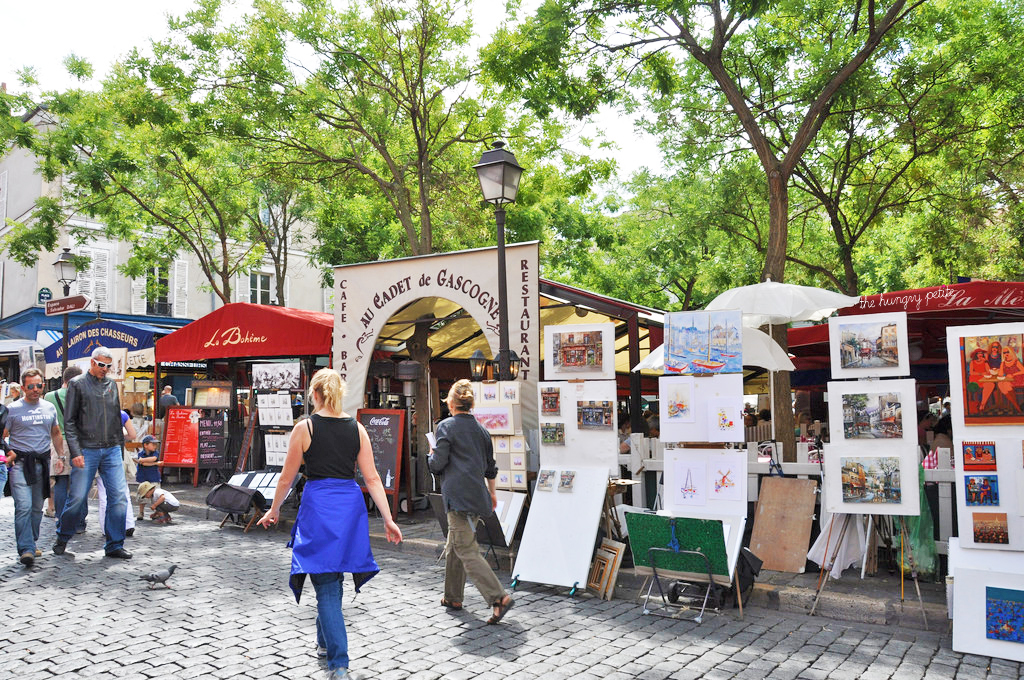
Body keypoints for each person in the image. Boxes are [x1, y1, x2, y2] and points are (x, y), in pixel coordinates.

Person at [257, 368, 402, 680]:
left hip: (319, 506)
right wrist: (388, 519)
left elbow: (286, 477)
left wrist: (274, 509)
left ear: (315, 394)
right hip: (349, 507)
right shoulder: (357, 429)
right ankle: (324, 645)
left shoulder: (304, 428)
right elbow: (373, 478)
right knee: (330, 576)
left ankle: (339, 663)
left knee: (324, 580)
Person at [428, 379, 515, 626]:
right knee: (456, 543)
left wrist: (431, 455)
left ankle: (499, 598)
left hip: (457, 496)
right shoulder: (482, 430)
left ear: (452, 404)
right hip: (478, 495)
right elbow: (490, 468)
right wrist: (493, 494)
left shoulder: (445, 427)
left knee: (466, 548)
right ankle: (453, 596)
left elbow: (437, 464)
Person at [53, 346, 133, 559]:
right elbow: (69, 422)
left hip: (111, 448)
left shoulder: (112, 386)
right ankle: (63, 535)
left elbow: (116, 418)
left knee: (118, 497)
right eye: (101, 365)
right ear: (92, 362)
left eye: (108, 365)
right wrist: (75, 451)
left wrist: (119, 447)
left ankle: (115, 544)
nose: (105, 369)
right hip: (86, 449)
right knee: (78, 498)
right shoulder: (77, 385)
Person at [4, 369, 63, 566]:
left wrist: (60, 455)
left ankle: (32, 541)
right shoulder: (12, 409)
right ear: (22, 388)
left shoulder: (49, 408)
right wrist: (8, 452)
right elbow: (2, 435)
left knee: (37, 508)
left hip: (42, 463)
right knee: (24, 506)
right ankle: (26, 549)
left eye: (39, 385)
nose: (35, 389)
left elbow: (56, 432)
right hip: (20, 463)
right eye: (31, 386)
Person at [44, 365, 86, 534]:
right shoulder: (81, 395)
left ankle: (61, 521)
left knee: (61, 483)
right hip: (78, 443)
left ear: (63, 379)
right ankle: (80, 523)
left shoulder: (49, 396)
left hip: (58, 443)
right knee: (80, 483)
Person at [96, 410, 137, 537]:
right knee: (124, 491)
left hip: (99, 453)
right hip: (118, 453)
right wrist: (120, 437)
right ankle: (128, 524)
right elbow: (132, 435)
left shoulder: (94, 412)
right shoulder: (122, 414)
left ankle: (106, 527)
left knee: (104, 493)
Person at [133, 434, 163, 519]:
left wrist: (142, 460)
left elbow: (153, 459)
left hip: (154, 477)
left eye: (155, 444)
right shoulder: (140, 453)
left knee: (157, 495)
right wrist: (156, 463)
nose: (155, 446)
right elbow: (145, 464)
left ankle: (158, 511)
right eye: (152, 444)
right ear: (145, 445)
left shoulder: (155, 453)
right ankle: (141, 512)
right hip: (143, 478)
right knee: (142, 496)